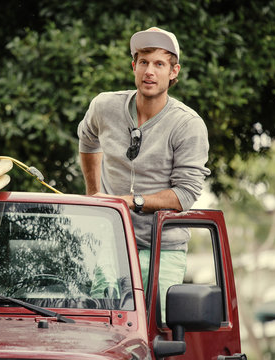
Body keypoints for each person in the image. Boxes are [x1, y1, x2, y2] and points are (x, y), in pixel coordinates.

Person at [77, 27, 210, 312]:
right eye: (144, 62)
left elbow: (184, 195)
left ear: (174, 71)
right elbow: (87, 140)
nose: (150, 71)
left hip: (164, 247)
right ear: (133, 67)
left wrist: (128, 202)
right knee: (105, 319)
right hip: (113, 241)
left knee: (156, 330)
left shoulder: (188, 125)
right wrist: (94, 194)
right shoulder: (104, 106)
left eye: (159, 64)